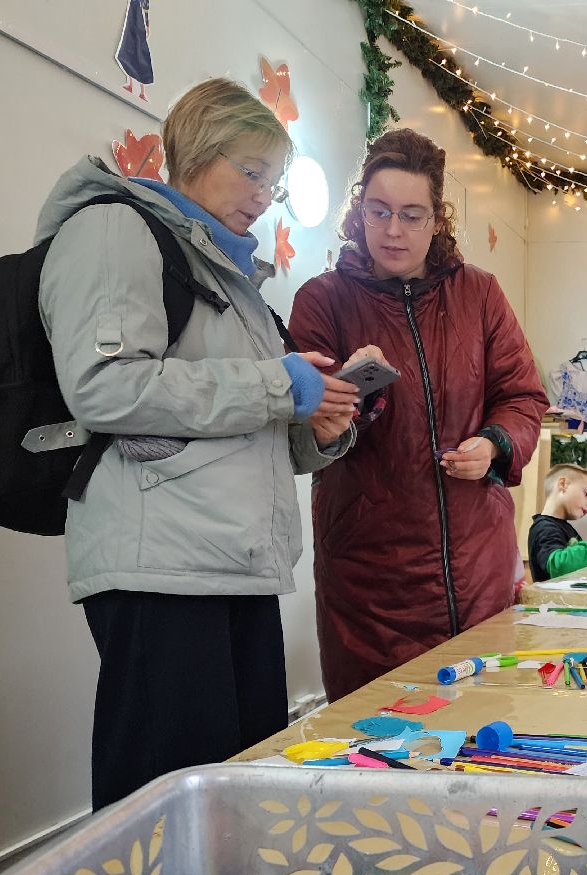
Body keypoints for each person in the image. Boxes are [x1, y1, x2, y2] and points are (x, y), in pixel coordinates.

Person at [37, 78, 358, 808]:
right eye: (251, 171)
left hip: (231, 563)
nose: (262, 195)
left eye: (273, 183)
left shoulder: (231, 273)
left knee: (233, 800)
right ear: (197, 153)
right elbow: (106, 387)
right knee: (165, 805)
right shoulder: (116, 229)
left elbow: (244, 422)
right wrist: (280, 388)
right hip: (161, 568)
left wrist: (317, 431)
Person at [290, 129, 549, 699]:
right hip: (371, 579)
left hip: (478, 563)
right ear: (359, 210)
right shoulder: (322, 300)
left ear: (437, 220)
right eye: (379, 211)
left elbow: (524, 396)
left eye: (412, 214)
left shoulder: (479, 294)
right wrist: (351, 394)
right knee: (377, 743)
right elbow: (307, 430)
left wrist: (494, 443)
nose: (393, 229)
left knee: (485, 738)